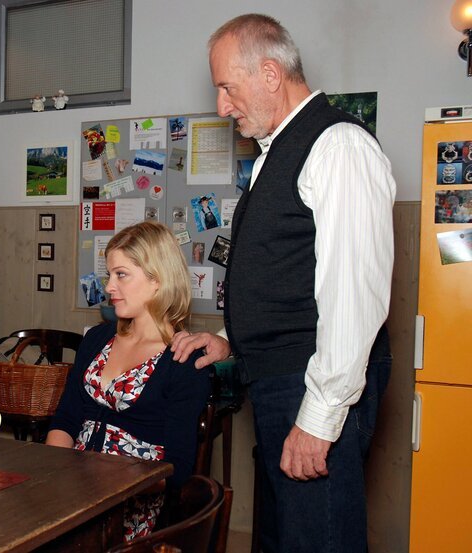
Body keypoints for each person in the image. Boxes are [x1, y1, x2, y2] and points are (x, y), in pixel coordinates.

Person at [170, 14, 395, 553]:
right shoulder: (277, 150)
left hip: (313, 387)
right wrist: (231, 340)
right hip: (278, 383)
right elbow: (287, 274)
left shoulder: (339, 145)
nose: (222, 106)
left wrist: (319, 418)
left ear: (270, 73)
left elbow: (353, 293)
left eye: (226, 86)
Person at [47, 221, 211, 542]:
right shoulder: (97, 339)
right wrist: (54, 477)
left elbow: (177, 467)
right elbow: (66, 419)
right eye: (110, 275)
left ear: (158, 280)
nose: (109, 287)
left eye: (121, 275)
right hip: (72, 487)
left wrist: (110, 484)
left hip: (134, 503)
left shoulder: (183, 359)